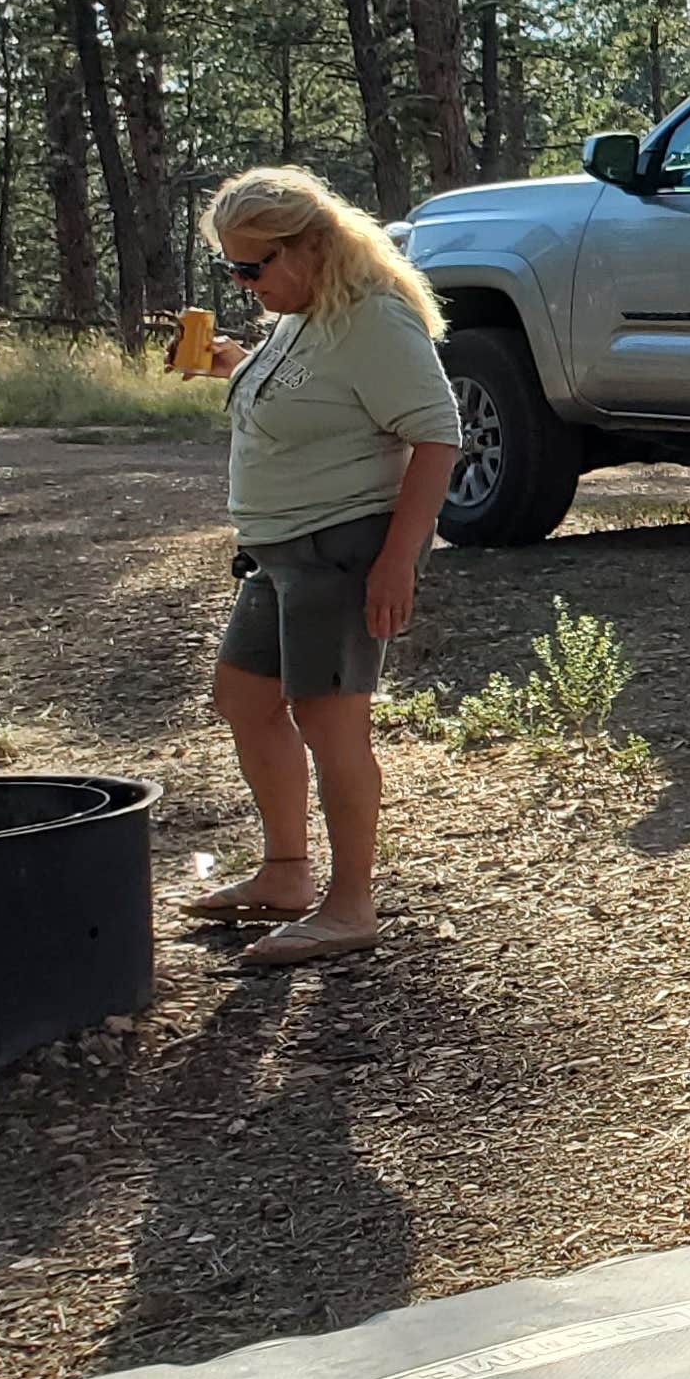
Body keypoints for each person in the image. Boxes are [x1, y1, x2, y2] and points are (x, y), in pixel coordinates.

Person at [185, 166, 461, 969]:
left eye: (253, 266)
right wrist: (234, 365)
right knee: (244, 700)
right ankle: (285, 874)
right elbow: (314, 398)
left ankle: (350, 906)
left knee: (331, 723)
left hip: (337, 551)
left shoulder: (373, 319)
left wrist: (398, 561)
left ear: (310, 246)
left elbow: (437, 435)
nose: (243, 282)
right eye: (232, 268)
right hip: (276, 557)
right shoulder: (300, 314)